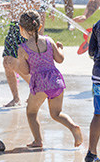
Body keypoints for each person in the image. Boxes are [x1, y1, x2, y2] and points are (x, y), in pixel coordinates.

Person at [16, 10, 83, 148]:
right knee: (56, 113)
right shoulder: (48, 40)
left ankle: (38, 141)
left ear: (21, 29)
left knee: (31, 112)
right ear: (39, 27)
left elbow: (25, 70)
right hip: (56, 81)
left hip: (41, 84)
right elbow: (60, 59)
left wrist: (19, 62)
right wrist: (61, 49)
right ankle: (73, 127)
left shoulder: (23, 48)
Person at [86, 17, 100, 162]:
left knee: (98, 115)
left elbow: (91, 51)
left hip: (98, 76)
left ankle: (92, 153)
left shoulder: (98, 25)